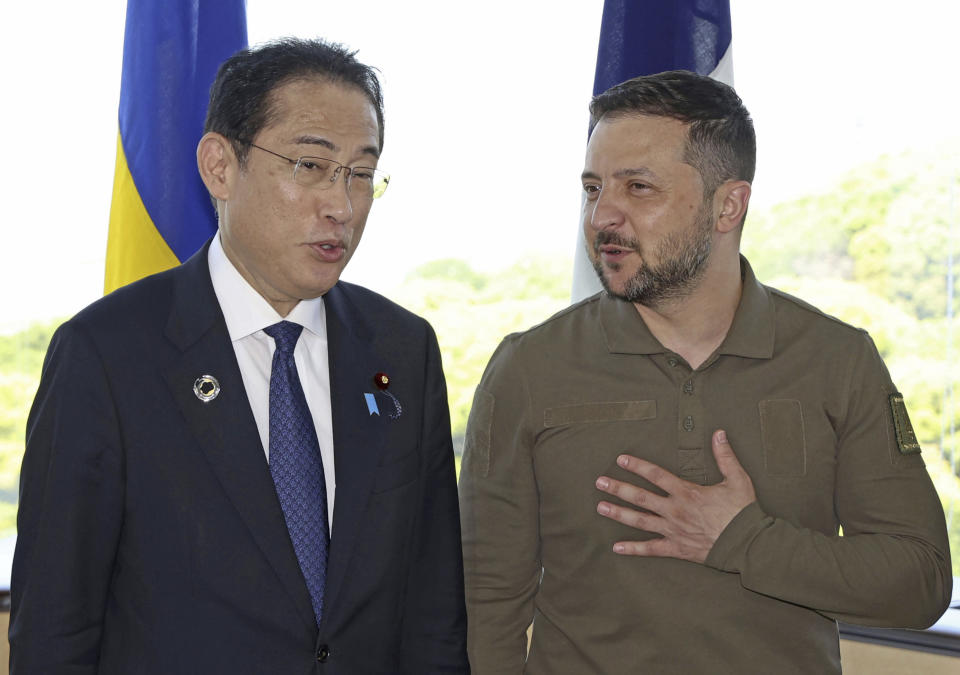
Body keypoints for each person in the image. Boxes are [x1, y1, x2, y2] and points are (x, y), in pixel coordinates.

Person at [458, 70, 952, 674]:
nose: (601, 216)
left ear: (728, 206)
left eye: (638, 188)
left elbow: (920, 582)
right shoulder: (528, 367)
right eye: (592, 188)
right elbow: (483, 602)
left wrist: (744, 541)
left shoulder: (837, 360)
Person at [11, 38, 468, 674]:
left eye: (361, 174)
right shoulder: (108, 355)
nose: (341, 205)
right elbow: (55, 630)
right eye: (310, 166)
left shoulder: (401, 348)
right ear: (220, 166)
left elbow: (433, 610)